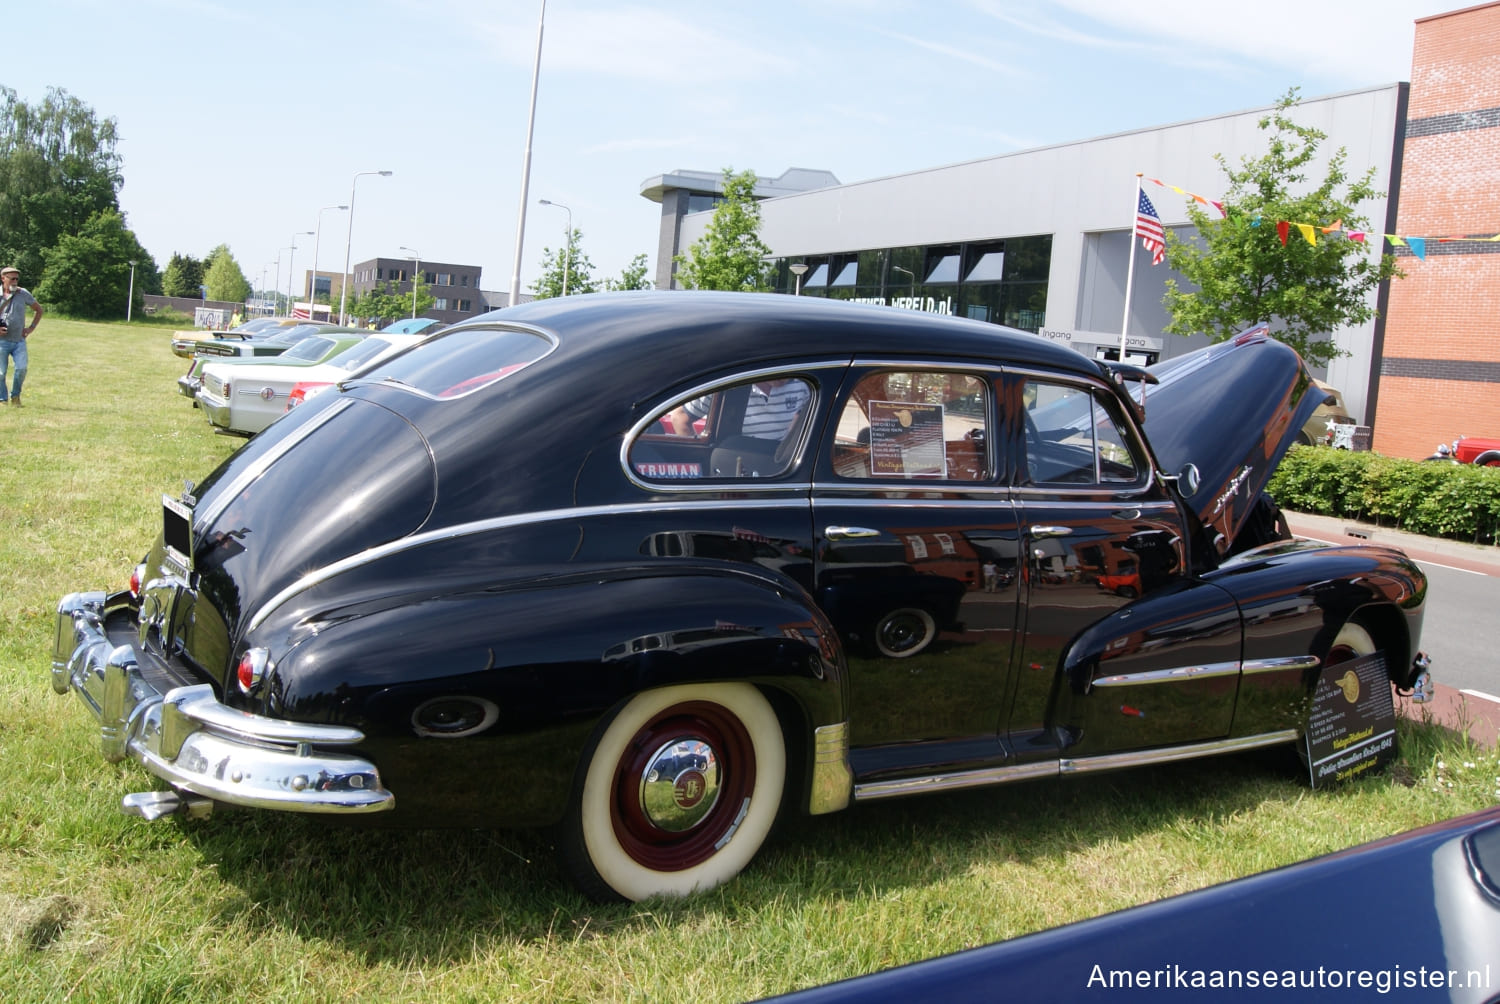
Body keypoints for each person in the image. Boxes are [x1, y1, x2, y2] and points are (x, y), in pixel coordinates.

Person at [0, 266, 43, 406]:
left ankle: (16, 396)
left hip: (19, 340)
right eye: (12, 278)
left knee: (21, 368)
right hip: (1, 341)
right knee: (1, 373)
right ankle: (2, 399)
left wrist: (31, 328)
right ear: (3, 278)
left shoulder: (23, 293)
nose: (15, 282)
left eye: (17, 279)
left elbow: (38, 310)